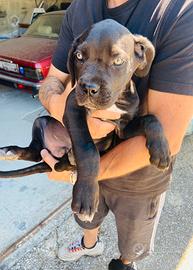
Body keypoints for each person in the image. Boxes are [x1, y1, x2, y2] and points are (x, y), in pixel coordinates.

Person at [39, 1, 193, 269]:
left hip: (138, 178)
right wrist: (61, 105)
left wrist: (83, 174)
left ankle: (125, 261)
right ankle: (90, 243)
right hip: (89, 165)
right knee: (87, 214)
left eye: (117, 61)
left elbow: (171, 136)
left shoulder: (181, 13)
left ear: (140, 57)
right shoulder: (79, 8)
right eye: (81, 57)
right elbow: (52, 83)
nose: (90, 81)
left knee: (132, 240)